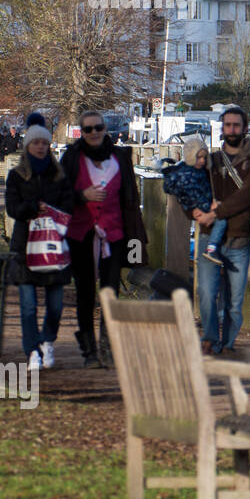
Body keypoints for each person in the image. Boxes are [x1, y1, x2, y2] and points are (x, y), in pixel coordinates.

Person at [60, 109, 145, 368]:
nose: (94, 133)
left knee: (110, 292)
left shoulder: (120, 156)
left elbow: (130, 197)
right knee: (85, 293)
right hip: (80, 233)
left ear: (105, 129)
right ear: (82, 132)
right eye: (88, 129)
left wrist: (136, 239)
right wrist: (81, 196)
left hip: (114, 234)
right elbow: (59, 196)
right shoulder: (72, 158)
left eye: (98, 128)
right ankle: (89, 352)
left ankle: (108, 349)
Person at [187, 106, 250, 355]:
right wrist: (196, 210)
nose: (231, 129)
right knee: (206, 293)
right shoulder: (211, 160)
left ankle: (228, 343)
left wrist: (217, 212)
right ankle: (211, 338)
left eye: (236, 125)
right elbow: (190, 186)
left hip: (240, 238)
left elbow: (247, 195)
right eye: (227, 125)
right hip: (209, 235)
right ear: (222, 128)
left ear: (244, 128)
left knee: (234, 302)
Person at [5, 125, 75, 369]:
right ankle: (32, 349)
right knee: (28, 306)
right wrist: (34, 207)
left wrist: (55, 211)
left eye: (44, 143)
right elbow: (12, 208)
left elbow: (69, 205)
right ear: (28, 146)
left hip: (54, 247)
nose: (40, 147)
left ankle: (47, 340)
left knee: (55, 305)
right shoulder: (16, 176)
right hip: (25, 247)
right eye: (36, 143)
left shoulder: (59, 176)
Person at [160, 134, 228, 264]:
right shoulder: (188, 174)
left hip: (202, 204)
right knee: (222, 220)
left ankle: (210, 249)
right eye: (199, 157)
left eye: (204, 157)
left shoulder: (198, 171)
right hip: (199, 206)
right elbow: (191, 193)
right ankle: (212, 248)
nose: (202, 160)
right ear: (191, 157)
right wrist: (204, 206)